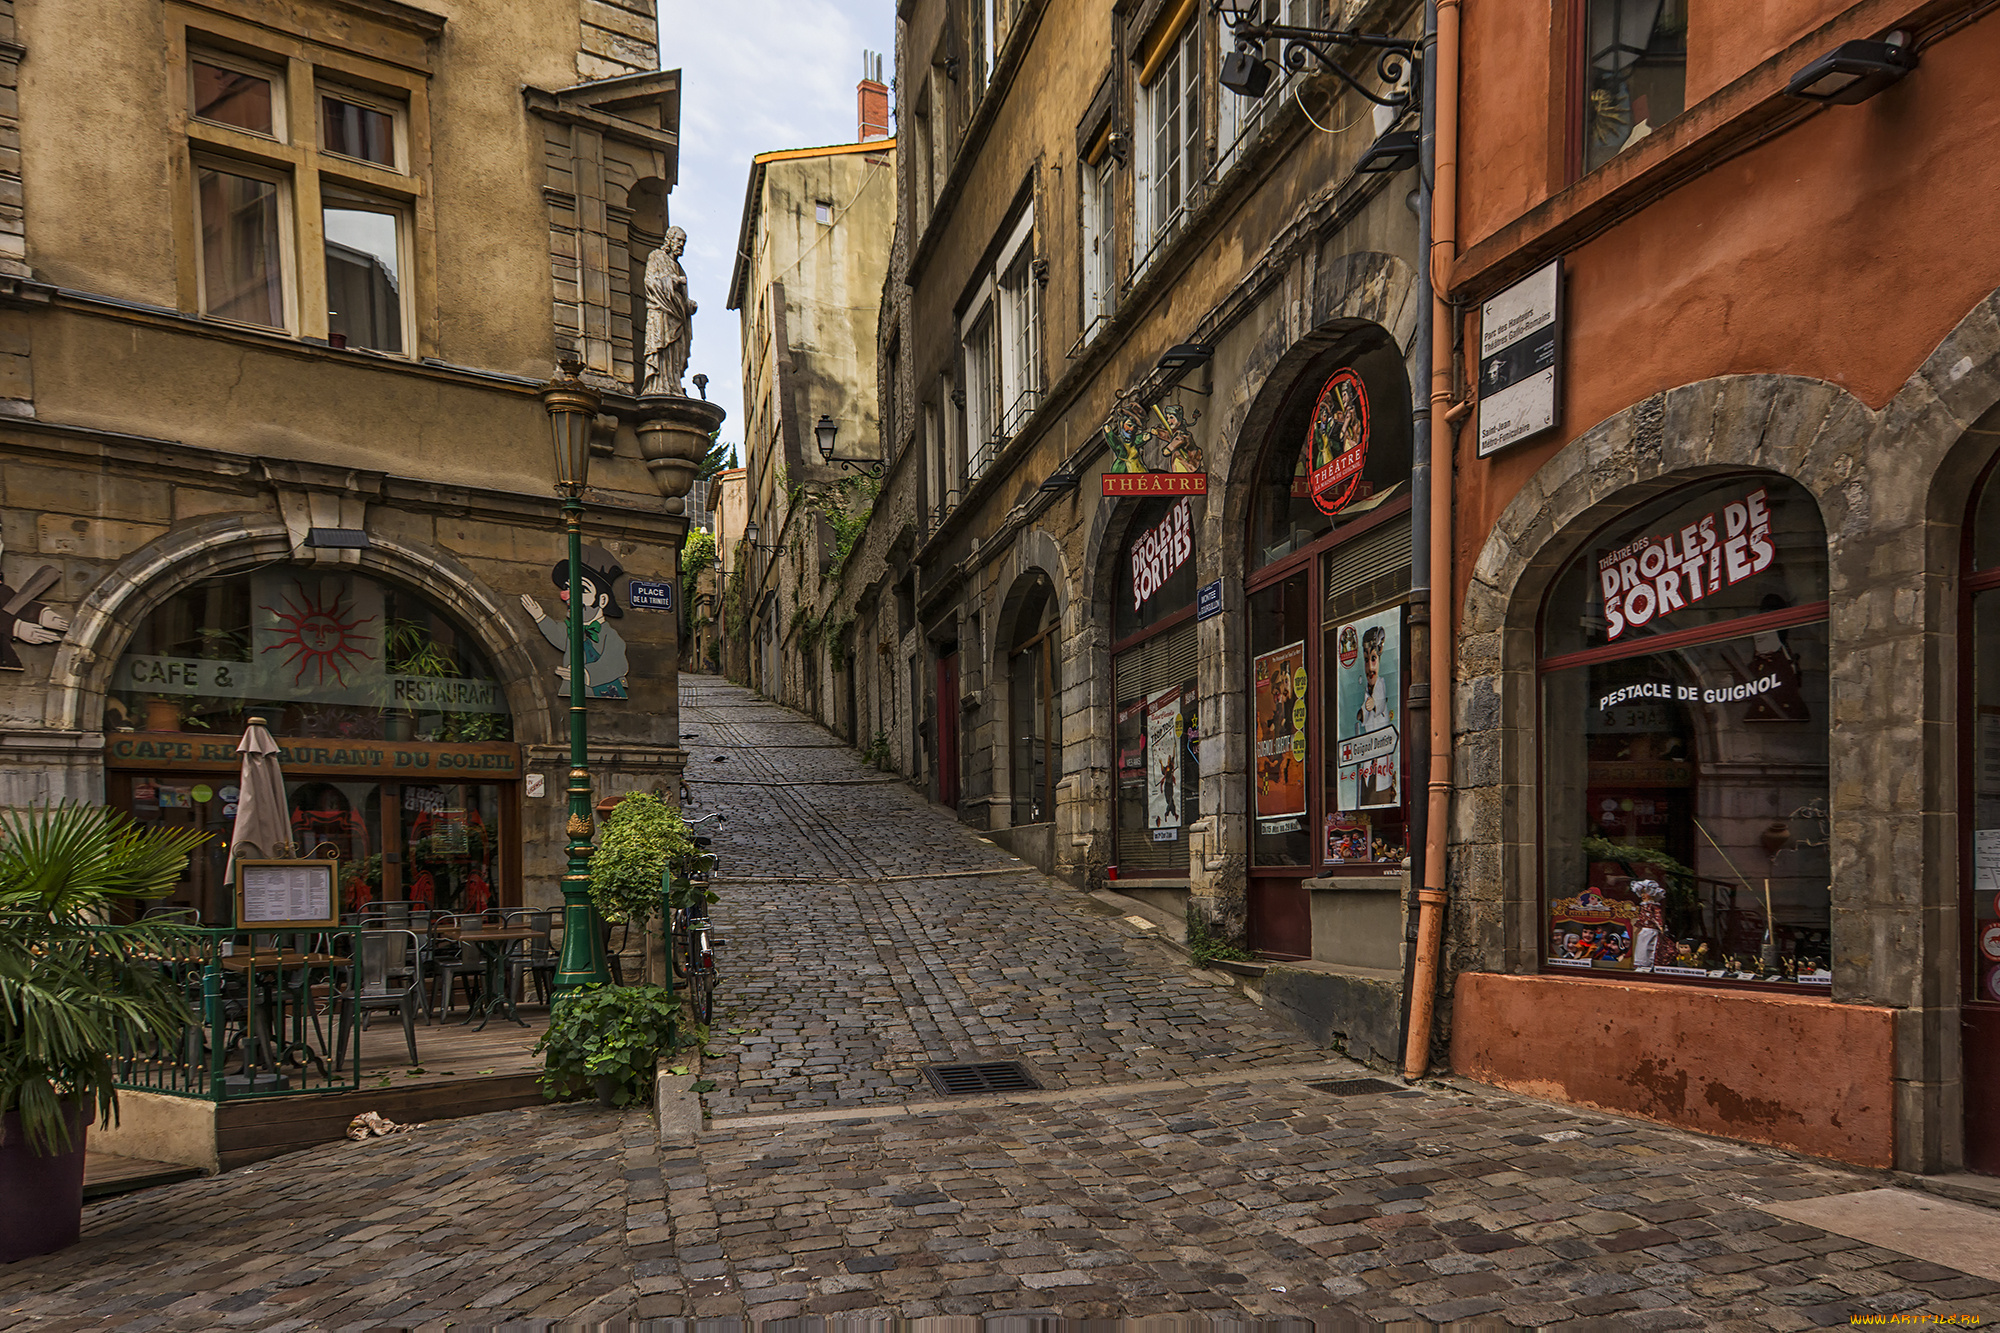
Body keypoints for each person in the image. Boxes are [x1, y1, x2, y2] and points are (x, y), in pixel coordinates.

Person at [521, 557, 629, 698]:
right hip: (572, 693)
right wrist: (540, 616)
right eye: (568, 588)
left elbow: (618, 663)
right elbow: (558, 635)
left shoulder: (610, 635)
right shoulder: (571, 631)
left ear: (602, 600)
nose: (567, 596)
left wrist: (584, 674)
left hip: (603, 691)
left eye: (582, 589)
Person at [642, 227, 696, 396]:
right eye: (679, 240)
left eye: (683, 242)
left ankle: (673, 385)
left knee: (675, 353)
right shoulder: (656, 257)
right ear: (669, 240)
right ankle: (658, 386)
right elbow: (651, 282)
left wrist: (688, 305)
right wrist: (673, 282)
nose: (681, 245)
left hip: (677, 318)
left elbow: (681, 299)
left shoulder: (679, 268)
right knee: (661, 348)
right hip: (661, 313)